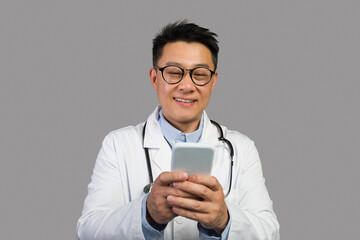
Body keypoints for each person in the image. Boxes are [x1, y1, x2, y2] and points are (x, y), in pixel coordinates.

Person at [77, 20, 280, 240]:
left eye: (200, 74)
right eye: (174, 72)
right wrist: (147, 214)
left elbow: (269, 232)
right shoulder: (118, 145)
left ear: (213, 82)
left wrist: (224, 219)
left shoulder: (242, 149)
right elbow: (88, 231)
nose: (186, 85)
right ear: (154, 79)